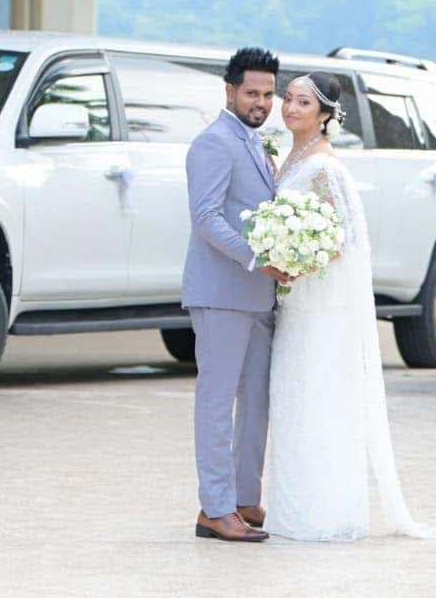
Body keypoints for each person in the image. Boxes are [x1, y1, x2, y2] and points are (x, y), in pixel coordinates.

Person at [261, 72, 436, 542]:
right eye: (289, 99)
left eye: (303, 102)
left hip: (318, 302)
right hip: (293, 303)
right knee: (292, 394)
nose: (291, 108)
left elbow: (345, 239)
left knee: (319, 395)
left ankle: (326, 514)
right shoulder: (288, 156)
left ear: (323, 115)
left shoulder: (326, 168)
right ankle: (292, 508)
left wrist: (297, 259)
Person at [183, 47, 289, 543]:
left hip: (258, 295)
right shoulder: (213, 142)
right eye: (252, 93)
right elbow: (206, 219)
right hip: (222, 293)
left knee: (256, 403)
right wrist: (255, 258)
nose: (261, 102)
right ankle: (215, 508)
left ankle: (245, 499)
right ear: (229, 91)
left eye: (268, 94)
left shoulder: (255, 142)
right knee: (217, 402)